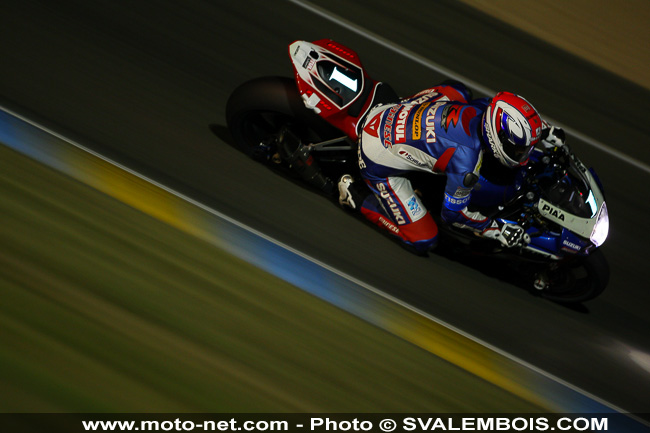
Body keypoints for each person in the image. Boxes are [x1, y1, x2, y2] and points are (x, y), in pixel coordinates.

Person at [337, 82, 566, 254]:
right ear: (497, 138)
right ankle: (355, 196)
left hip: (392, 112)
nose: (523, 156)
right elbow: (453, 215)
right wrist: (497, 229)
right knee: (424, 239)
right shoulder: (466, 164)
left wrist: (543, 131)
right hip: (374, 156)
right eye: (519, 150)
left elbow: (508, 115)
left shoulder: (486, 109)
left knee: (459, 91)